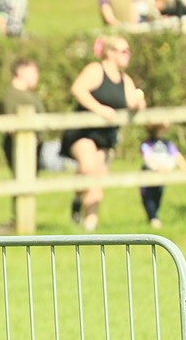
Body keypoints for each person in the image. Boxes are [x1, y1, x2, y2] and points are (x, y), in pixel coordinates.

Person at [59, 36, 147, 231]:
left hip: (106, 137)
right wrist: (100, 109)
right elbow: (78, 89)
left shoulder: (125, 79)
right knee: (88, 167)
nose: (128, 55)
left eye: (129, 51)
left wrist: (140, 103)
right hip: (83, 131)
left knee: (98, 178)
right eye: (123, 51)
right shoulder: (95, 70)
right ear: (110, 52)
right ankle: (77, 198)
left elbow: (134, 101)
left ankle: (90, 226)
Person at [139, 122, 186, 228]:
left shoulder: (167, 143)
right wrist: (157, 167)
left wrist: (184, 166)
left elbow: (176, 155)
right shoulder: (146, 143)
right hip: (149, 174)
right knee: (147, 197)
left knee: (158, 196)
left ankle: (154, 217)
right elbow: (146, 157)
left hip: (162, 176)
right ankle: (153, 218)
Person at [0, 58, 43, 172]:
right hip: (23, 146)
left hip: (34, 145)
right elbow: (10, 124)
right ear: (21, 72)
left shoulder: (28, 94)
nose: (37, 75)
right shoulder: (12, 96)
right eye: (33, 72)